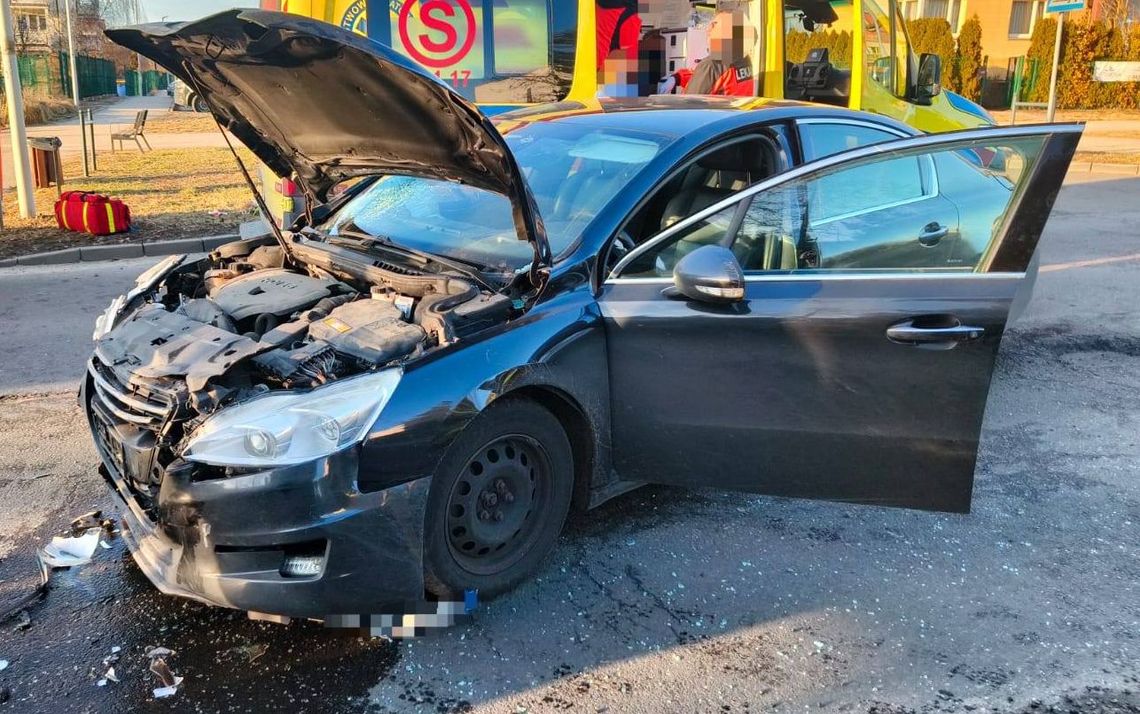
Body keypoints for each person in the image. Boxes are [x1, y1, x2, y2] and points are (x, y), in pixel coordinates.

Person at [686, 10, 755, 97]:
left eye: (715, 25)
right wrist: (678, 77)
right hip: (740, 110)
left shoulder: (711, 65)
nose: (708, 29)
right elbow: (715, 78)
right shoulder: (744, 58)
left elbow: (689, 104)